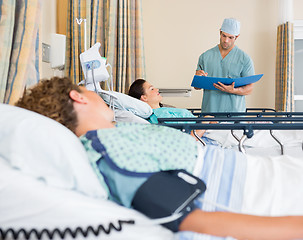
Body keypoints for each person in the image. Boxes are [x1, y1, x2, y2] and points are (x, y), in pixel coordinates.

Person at [15, 77, 303, 239]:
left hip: (262, 175)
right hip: (265, 194)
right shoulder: (106, 151)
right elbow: (191, 220)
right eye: (92, 92)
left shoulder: (115, 138)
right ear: (78, 98)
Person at [195, 18, 255, 113]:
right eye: (224, 36)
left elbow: (249, 89)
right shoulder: (205, 56)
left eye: (230, 37)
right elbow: (197, 87)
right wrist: (198, 78)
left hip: (234, 115)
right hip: (209, 114)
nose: (226, 40)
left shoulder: (244, 59)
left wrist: (233, 90)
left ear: (237, 37)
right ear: (220, 32)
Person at [128, 79, 207, 139]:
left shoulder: (164, 110)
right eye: (152, 89)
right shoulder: (158, 116)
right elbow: (189, 138)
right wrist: (205, 122)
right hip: (203, 133)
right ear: (144, 97)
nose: (157, 90)